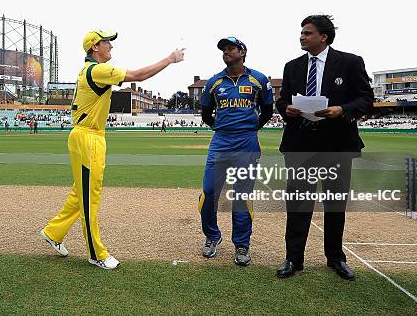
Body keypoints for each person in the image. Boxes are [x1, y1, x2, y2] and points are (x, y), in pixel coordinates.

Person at [41, 29, 185, 269]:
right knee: (90, 197)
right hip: (89, 138)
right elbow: (137, 75)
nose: (111, 46)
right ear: (95, 47)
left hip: (87, 135)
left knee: (81, 193)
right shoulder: (97, 70)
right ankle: (96, 253)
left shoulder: (88, 70)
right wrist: (170, 59)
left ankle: (54, 232)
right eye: (107, 42)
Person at [275, 15, 373, 280]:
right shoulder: (292, 66)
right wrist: (287, 109)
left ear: (323, 37)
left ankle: (335, 258)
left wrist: (342, 109)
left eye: (307, 33)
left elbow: (366, 99)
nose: (302, 37)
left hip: (336, 145)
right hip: (300, 144)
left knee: (335, 204)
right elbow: (281, 101)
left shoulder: (351, 62)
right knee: (298, 204)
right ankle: (293, 259)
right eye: (301, 32)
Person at [198, 37, 273, 266]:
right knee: (209, 191)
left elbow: (268, 111)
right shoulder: (214, 82)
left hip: (247, 144)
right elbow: (206, 114)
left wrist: (250, 129)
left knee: (241, 196)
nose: (226, 52)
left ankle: (242, 244)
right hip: (220, 142)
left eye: (230, 48)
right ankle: (212, 236)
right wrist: (222, 129)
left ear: (243, 52)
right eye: (224, 50)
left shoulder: (258, 79)